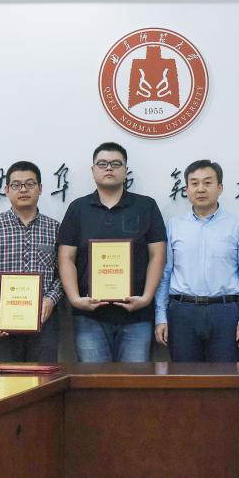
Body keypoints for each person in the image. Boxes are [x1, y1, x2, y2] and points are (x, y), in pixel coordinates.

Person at [57, 142, 167, 362]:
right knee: (94, 379)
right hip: (89, 316)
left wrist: (146, 298)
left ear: (126, 170)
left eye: (116, 164)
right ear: (93, 170)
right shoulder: (78, 208)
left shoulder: (146, 206)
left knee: (134, 380)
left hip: (137, 315)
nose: (109, 168)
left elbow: (158, 255)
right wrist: (75, 299)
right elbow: (66, 257)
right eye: (102, 164)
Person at [155, 160, 239, 362]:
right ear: (186, 189)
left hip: (225, 312)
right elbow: (164, 274)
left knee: (225, 377)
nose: (201, 189)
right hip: (182, 312)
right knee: (184, 377)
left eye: (208, 182)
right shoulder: (174, 225)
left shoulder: (238, 225)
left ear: (220, 188)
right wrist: (160, 316)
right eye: (194, 183)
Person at [0, 161, 63, 362]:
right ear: (7, 190)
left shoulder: (54, 227)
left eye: (30, 184)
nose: (23, 189)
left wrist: (50, 299)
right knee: (6, 379)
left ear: (40, 188)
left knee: (43, 378)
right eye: (16, 185)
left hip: (43, 319)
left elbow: (63, 274)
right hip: (3, 321)